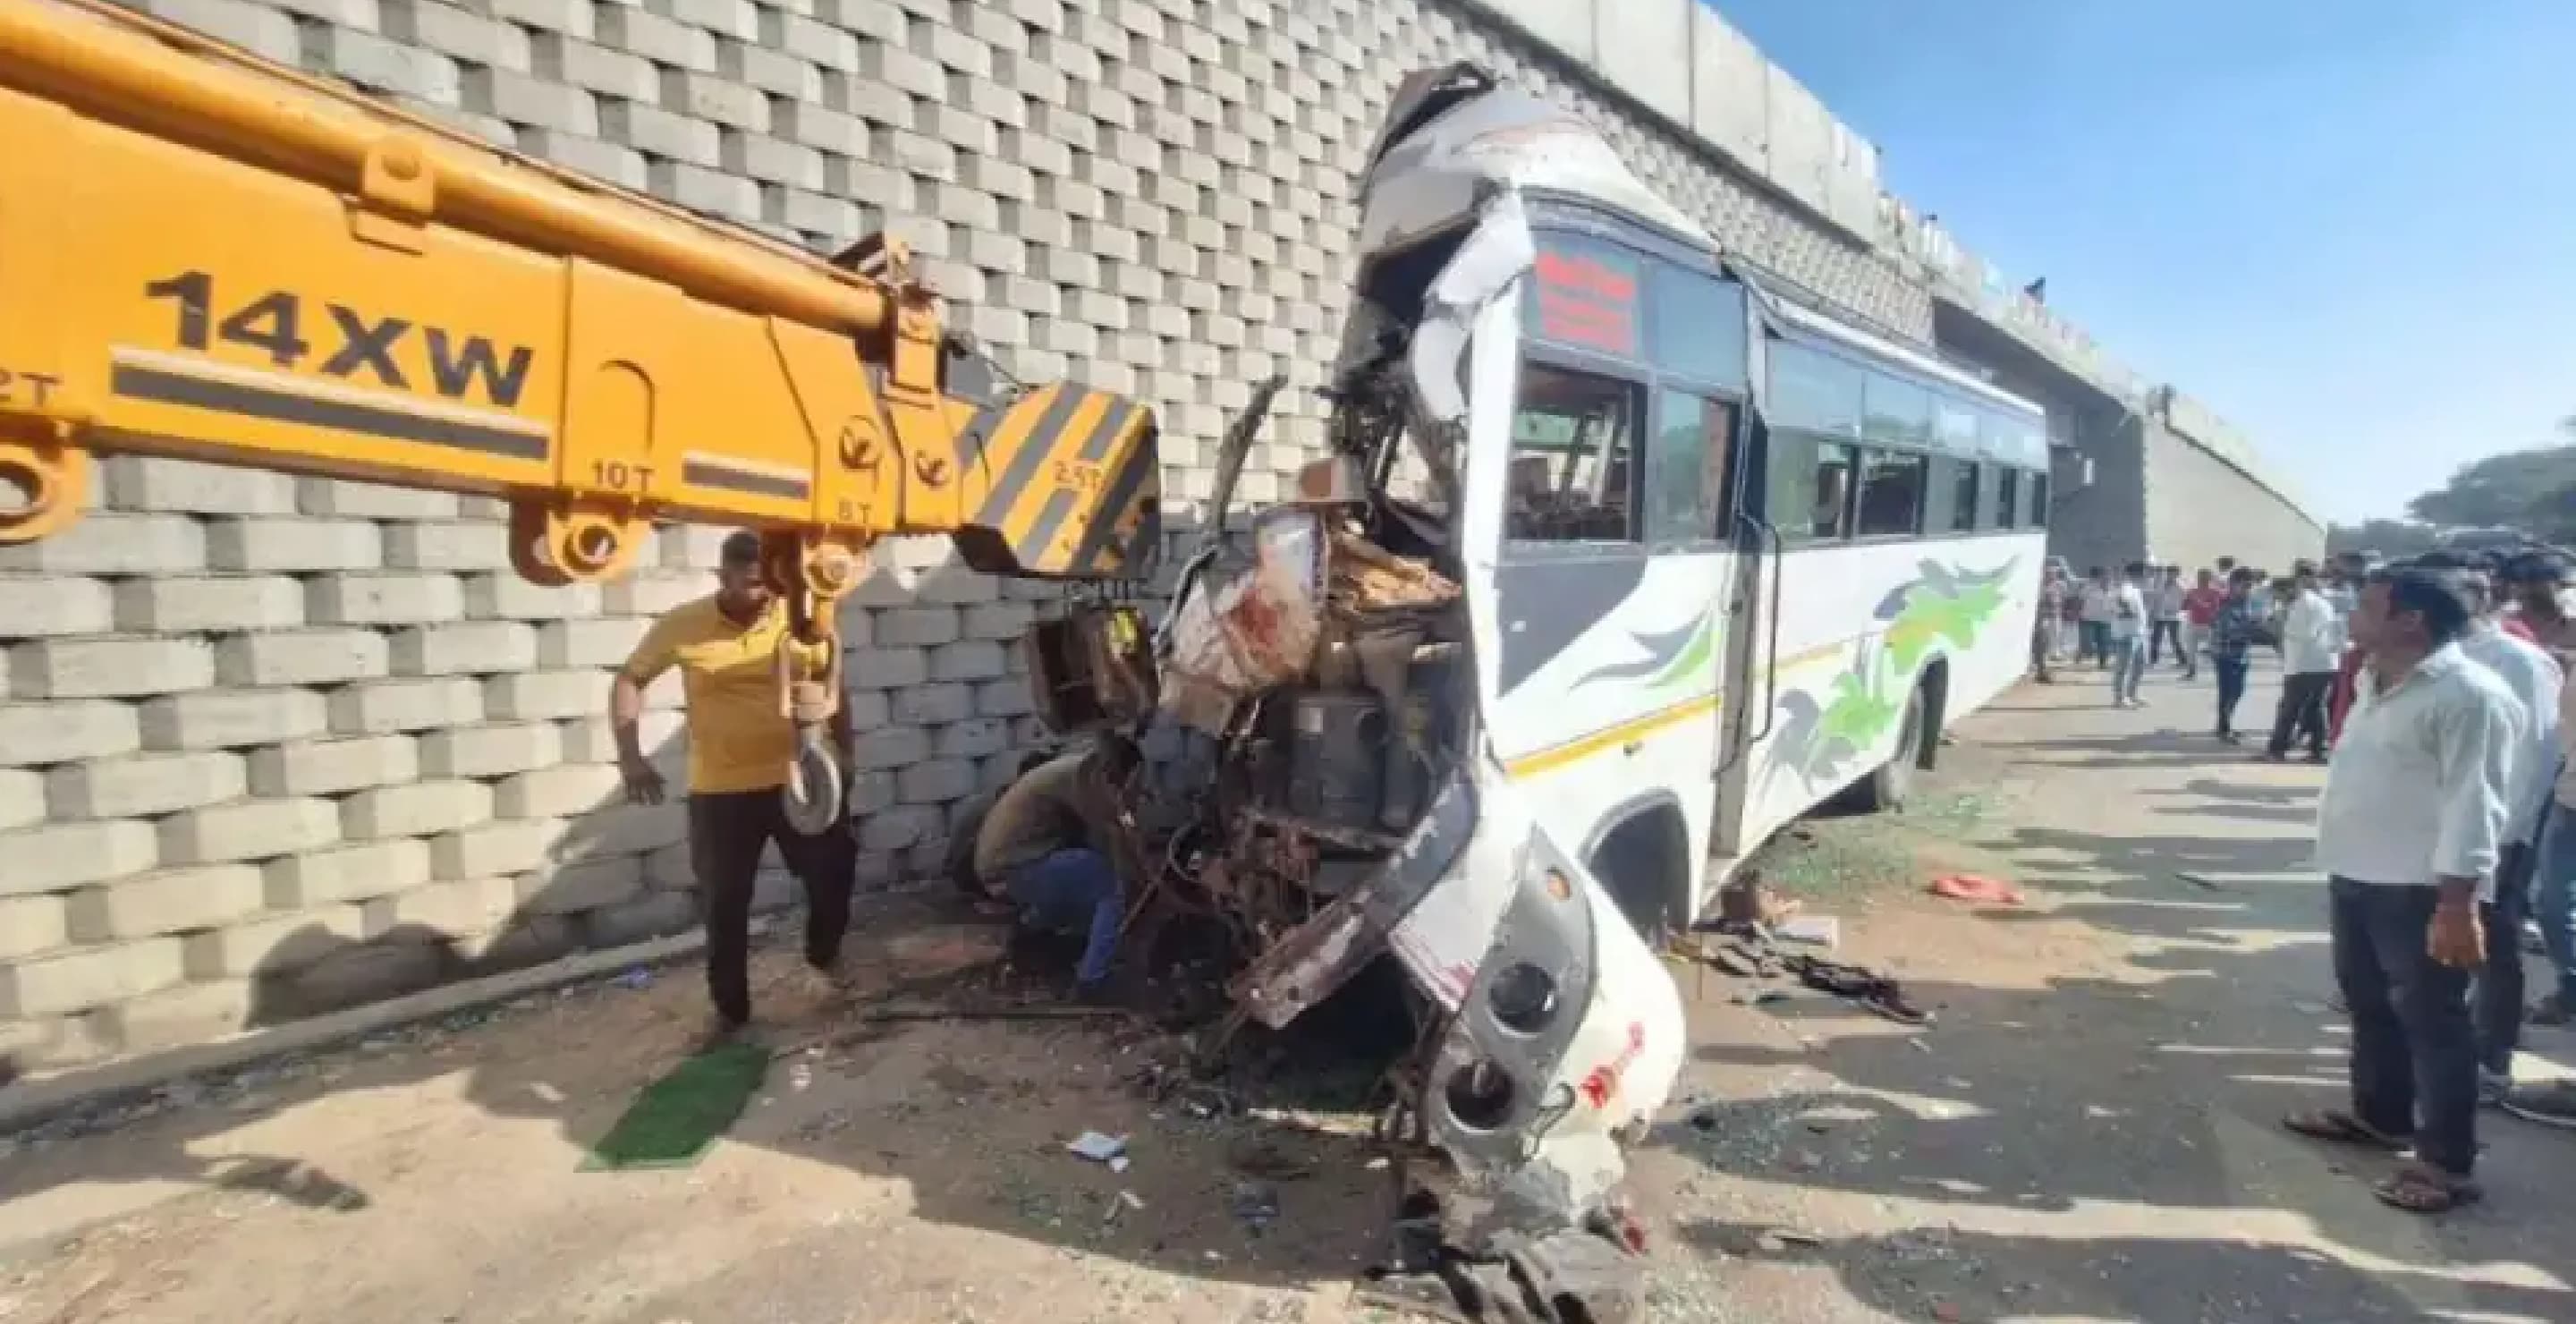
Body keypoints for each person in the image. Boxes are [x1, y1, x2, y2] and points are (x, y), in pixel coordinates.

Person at [2284, 565, 2520, 1215]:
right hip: (2359, 871)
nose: (2351, 615)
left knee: (2433, 1022)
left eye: (2366, 605)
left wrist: (2457, 902)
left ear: (2410, 620)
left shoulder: (2468, 695)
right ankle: (2382, 1117)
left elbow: (2478, 805)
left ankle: (2447, 1164)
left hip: (2420, 887)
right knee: (2369, 1003)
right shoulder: (2373, 678)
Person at [614, 530, 858, 1037]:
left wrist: (846, 754)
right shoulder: (685, 625)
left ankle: (823, 957)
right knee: (725, 901)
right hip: (721, 792)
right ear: (722, 577)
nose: (764, 593)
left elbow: (833, 685)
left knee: (833, 870)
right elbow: (630, 679)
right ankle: (731, 1010)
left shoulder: (800, 621)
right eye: (751, 584)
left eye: (769, 583)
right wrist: (631, 758)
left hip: (797, 781)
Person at [2421, 559, 2562, 1102]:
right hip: (2442, 827)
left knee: (2494, 942)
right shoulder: (2438, 659)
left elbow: (2534, 757)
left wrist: (2502, 836)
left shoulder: (2518, 663)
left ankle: (2492, 1057)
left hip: (2498, 832)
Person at [970, 740, 1136, 1000]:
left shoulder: (1073, 770)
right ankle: (1093, 979)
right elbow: (1109, 840)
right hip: (1016, 865)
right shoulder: (1087, 782)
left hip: (1003, 863)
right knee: (1111, 885)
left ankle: (1032, 933)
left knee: (1085, 882)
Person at [2266, 562, 2341, 763]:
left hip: (2308, 665)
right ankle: (2319, 750)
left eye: (2278, 595)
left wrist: (2281, 624)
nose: (2277, 599)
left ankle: (2277, 750)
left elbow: (2306, 633)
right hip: (2319, 663)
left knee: (2290, 709)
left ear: (2290, 590)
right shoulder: (2316, 602)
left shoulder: (2305, 605)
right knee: (2315, 709)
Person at [2209, 568, 2267, 742]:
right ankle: (2224, 728)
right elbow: (2225, 629)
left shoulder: (2250, 602)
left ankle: (2224, 725)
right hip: (2225, 652)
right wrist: (2255, 630)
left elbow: (2254, 623)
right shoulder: (2224, 603)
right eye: (2244, 586)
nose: (2247, 590)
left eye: (2250, 586)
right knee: (2229, 691)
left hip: (2241, 652)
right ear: (2233, 585)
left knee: (2237, 690)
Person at [2106, 562, 2150, 709]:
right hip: (2126, 633)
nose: (2147, 576)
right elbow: (2117, 604)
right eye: (2145, 573)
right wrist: (2125, 612)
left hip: (2138, 633)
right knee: (2123, 667)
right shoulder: (2124, 588)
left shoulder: (2135, 589)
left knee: (2139, 665)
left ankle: (2132, 694)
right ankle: (2119, 698)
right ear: (2138, 573)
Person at [2181, 567, 2224, 683]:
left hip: (2209, 624)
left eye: (2205, 577)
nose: (2203, 579)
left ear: (2210, 578)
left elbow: (2217, 608)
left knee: (2215, 650)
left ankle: (2220, 672)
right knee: (2190, 650)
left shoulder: (2216, 592)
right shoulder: (2192, 591)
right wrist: (2189, 601)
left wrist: (2200, 603)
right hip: (2193, 623)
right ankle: (2191, 672)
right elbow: (2184, 607)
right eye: (2201, 577)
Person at [2033, 563, 2068, 683]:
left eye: (2053, 573)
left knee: (2055, 638)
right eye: (2048, 573)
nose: (2051, 575)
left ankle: (2048, 661)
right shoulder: (2039, 585)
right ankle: (2042, 666)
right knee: (2043, 640)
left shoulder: (2060, 585)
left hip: (2055, 614)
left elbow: (2063, 598)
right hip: (2043, 617)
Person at [2149, 566, 2188, 668]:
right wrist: (2152, 612)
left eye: (2174, 573)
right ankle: (2153, 659)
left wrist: (2176, 608)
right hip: (2159, 614)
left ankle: (2183, 659)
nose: (2171, 575)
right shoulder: (2159, 583)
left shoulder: (2181, 586)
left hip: (2173, 616)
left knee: (2175, 639)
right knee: (2155, 638)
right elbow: (2155, 598)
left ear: (2177, 574)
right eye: (2170, 573)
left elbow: (2184, 600)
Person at [2079, 567, 2115, 668]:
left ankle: (2102, 663)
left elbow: (2118, 606)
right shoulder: (2089, 588)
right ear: (2100, 577)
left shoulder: (2115, 591)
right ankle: (2081, 652)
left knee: (2104, 642)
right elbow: (2079, 600)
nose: (2106, 579)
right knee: (2088, 643)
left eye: (2109, 577)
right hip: (2088, 619)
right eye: (2105, 576)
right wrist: (2077, 613)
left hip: (2106, 621)